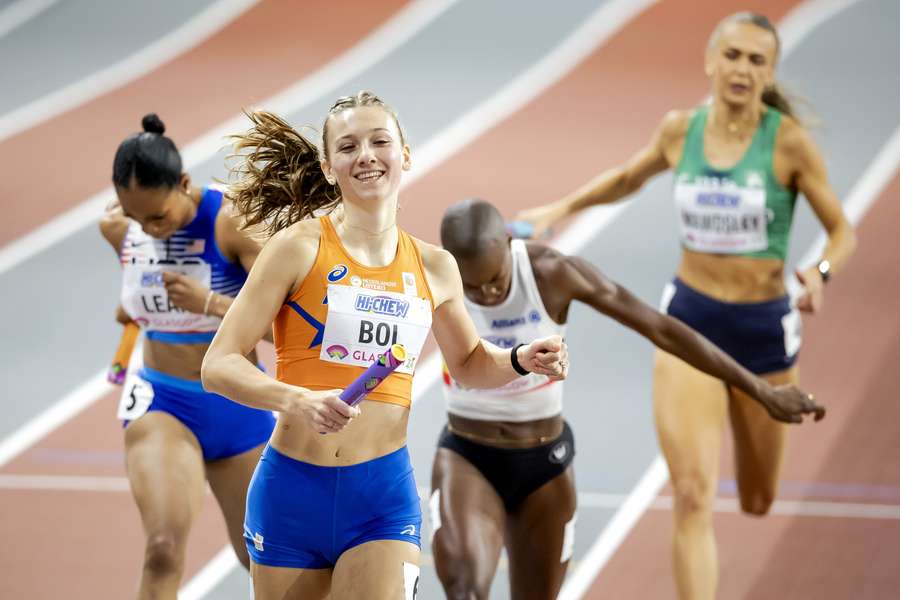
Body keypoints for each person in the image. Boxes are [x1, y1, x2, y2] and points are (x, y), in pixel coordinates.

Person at [515, 12, 856, 600]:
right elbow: (626, 179)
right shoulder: (681, 131)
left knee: (757, 498)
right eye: (732, 55)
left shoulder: (788, 142)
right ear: (710, 61)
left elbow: (842, 231)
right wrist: (556, 209)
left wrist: (819, 270)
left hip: (763, 333)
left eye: (756, 60)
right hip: (691, 322)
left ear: (769, 71)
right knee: (693, 495)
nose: (742, 69)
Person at [200, 91, 568, 600]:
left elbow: (467, 363)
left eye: (380, 141)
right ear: (329, 168)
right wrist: (297, 400)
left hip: (380, 499)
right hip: (291, 493)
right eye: (348, 147)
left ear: (405, 155)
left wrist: (518, 359)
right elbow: (218, 364)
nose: (367, 155)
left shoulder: (434, 266)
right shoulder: (297, 249)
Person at [431, 199, 823, 600]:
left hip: (543, 464)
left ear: (509, 242)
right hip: (468, 457)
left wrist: (760, 390)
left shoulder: (552, 273)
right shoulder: (430, 277)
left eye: (495, 279)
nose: (487, 294)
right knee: (465, 590)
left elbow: (662, 329)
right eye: (472, 286)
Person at [99, 114, 276, 599]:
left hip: (237, 402)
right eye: (137, 219)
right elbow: (133, 294)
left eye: (159, 216)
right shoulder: (120, 227)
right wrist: (133, 304)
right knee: (162, 549)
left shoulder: (233, 224)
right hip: (163, 401)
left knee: (262, 558)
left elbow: (286, 331)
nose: (149, 230)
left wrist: (210, 304)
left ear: (183, 182)